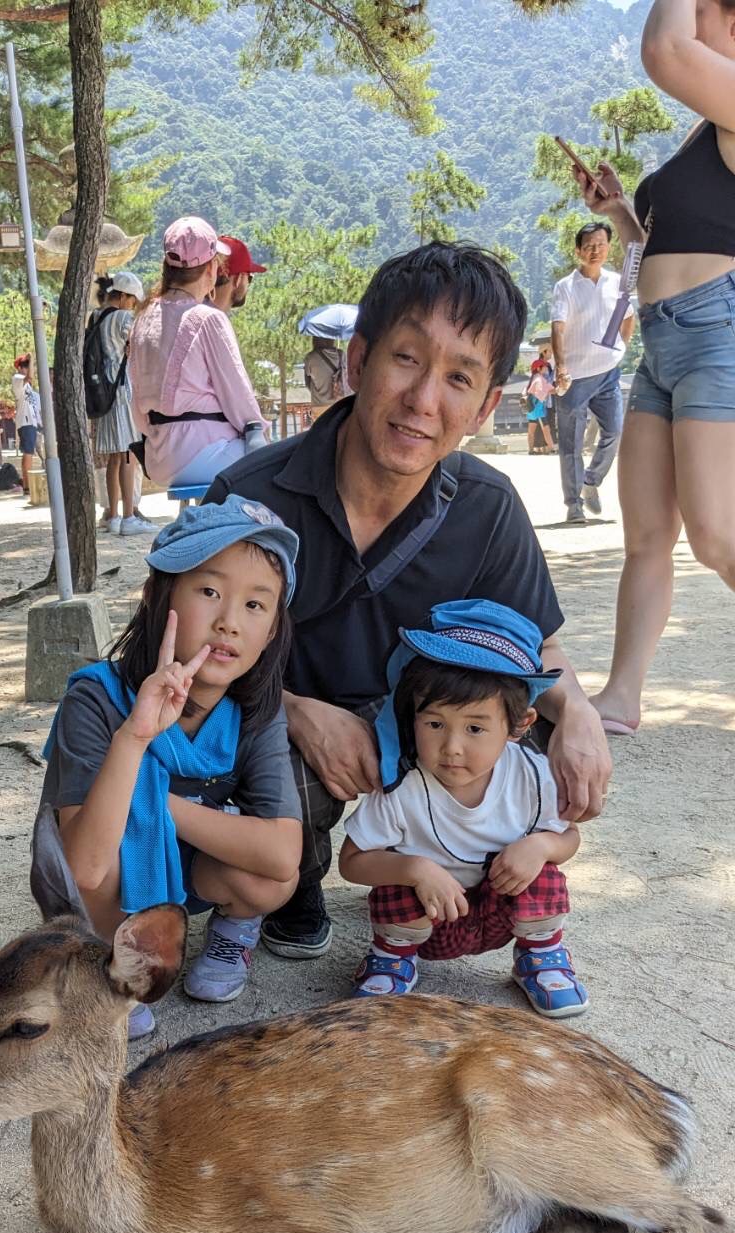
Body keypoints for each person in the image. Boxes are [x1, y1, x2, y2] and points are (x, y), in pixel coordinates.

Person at [207, 241, 611, 960]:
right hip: (284, 713)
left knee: (543, 741)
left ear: (487, 405)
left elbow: (535, 646)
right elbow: (185, 649)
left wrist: (578, 712)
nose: (425, 400)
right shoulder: (250, 497)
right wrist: (297, 714)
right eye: (406, 359)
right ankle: (292, 887)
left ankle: (497, 904)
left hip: (429, 720)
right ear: (358, 361)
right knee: (277, 773)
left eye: (459, 377)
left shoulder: (488, 506)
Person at [38, 496, 303, 1040]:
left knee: (270, 879)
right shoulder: (97, 698)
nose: (229, 622)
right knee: (108, 857)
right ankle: (114, 962)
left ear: (274, 629)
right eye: (209, 591)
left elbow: (281, 854)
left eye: (256, 605)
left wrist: (156, 801)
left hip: (190, 871)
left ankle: (233, 929)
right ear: (159, 596)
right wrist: (134, 738)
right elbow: (84, 868)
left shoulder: (255, 710)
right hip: (96, 883)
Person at [571, 0, 735, 735]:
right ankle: (623, 695)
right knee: (646, 536)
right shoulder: (708, 124)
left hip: (716, 331)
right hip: (663, 342)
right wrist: (621, 216)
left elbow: (665, 50)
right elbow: (657, 248)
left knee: (717, 535)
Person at [338, 600, 586, 1017]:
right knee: (397, 882)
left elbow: (569, 834)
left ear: (519, 725)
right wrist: (413, 870)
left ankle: (540, 956)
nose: (452, 747)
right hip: (429, 920)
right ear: (411, 715)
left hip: (502, 910)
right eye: (434, 724)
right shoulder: (403, 786)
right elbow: (351, 861)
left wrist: (543, 846)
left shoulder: (534, 777)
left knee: (543, 873)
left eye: (475, 728)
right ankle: (392, 957)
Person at [127, 217, 268, 489]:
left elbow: (135, 400)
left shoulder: (143, 317)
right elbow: (239, 399)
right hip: (204, 454)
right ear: (211, 268)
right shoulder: (207, 318)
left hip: (158, 457)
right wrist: (257, 429)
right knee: (286, 459)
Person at [550, 223, 634, 524]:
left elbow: (628, 318)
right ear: (578, 251)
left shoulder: (617, 283)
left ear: (608, 247)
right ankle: (574, 504)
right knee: (571, 445)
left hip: (608, 373)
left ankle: (590, 482)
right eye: (589, 245)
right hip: (574, 377)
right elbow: (557, 328)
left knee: (614, 432)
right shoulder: (566, 287)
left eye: (601, 244)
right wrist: (560, 367)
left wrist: (619, 347)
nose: (595, 250)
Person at [89, 271, 155, 538]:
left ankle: (112, 514)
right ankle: (129, 516)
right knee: (128, 454)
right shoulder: (124, 318)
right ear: (125, 296)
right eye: (133, 300)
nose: (133, 305)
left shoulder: (97, 318)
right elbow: (143, 346)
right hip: (121, 391)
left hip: (103, 392)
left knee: (114, 459)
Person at [211, 235, 266, 313]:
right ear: (238, 279)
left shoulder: (190, 310)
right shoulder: (217, 323)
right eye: (249, 278)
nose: (248, 285)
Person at [12, 353, 42, 493]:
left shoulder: (28, 385)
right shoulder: (17, 378)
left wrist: (32, 363)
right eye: (24, 365)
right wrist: (32, 360)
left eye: (27, 365)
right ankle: (27, 485)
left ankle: (27, 484)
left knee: (30, 452)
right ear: (19, 367)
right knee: (28, 453)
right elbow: (29, 377)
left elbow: (31, 377)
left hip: (31, 421)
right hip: (25, 421)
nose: (27, 368)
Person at [303, 336, 348, 420]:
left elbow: (307, 383)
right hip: (340, 404)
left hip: (319, 405)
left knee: (321, 432)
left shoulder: (310, 357)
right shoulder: (341, 355)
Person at [524, 357, 555, 453]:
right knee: (546, 429)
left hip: (531, 408)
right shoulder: (539, 379)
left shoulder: (534, 378)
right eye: (544, 367)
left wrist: (553, 390)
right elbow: (541, 392)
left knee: (531, 430)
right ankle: (551, 448)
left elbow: (549, 390)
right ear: (538, 368)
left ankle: (530, 450)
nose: (546, 369)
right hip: (538, 409)